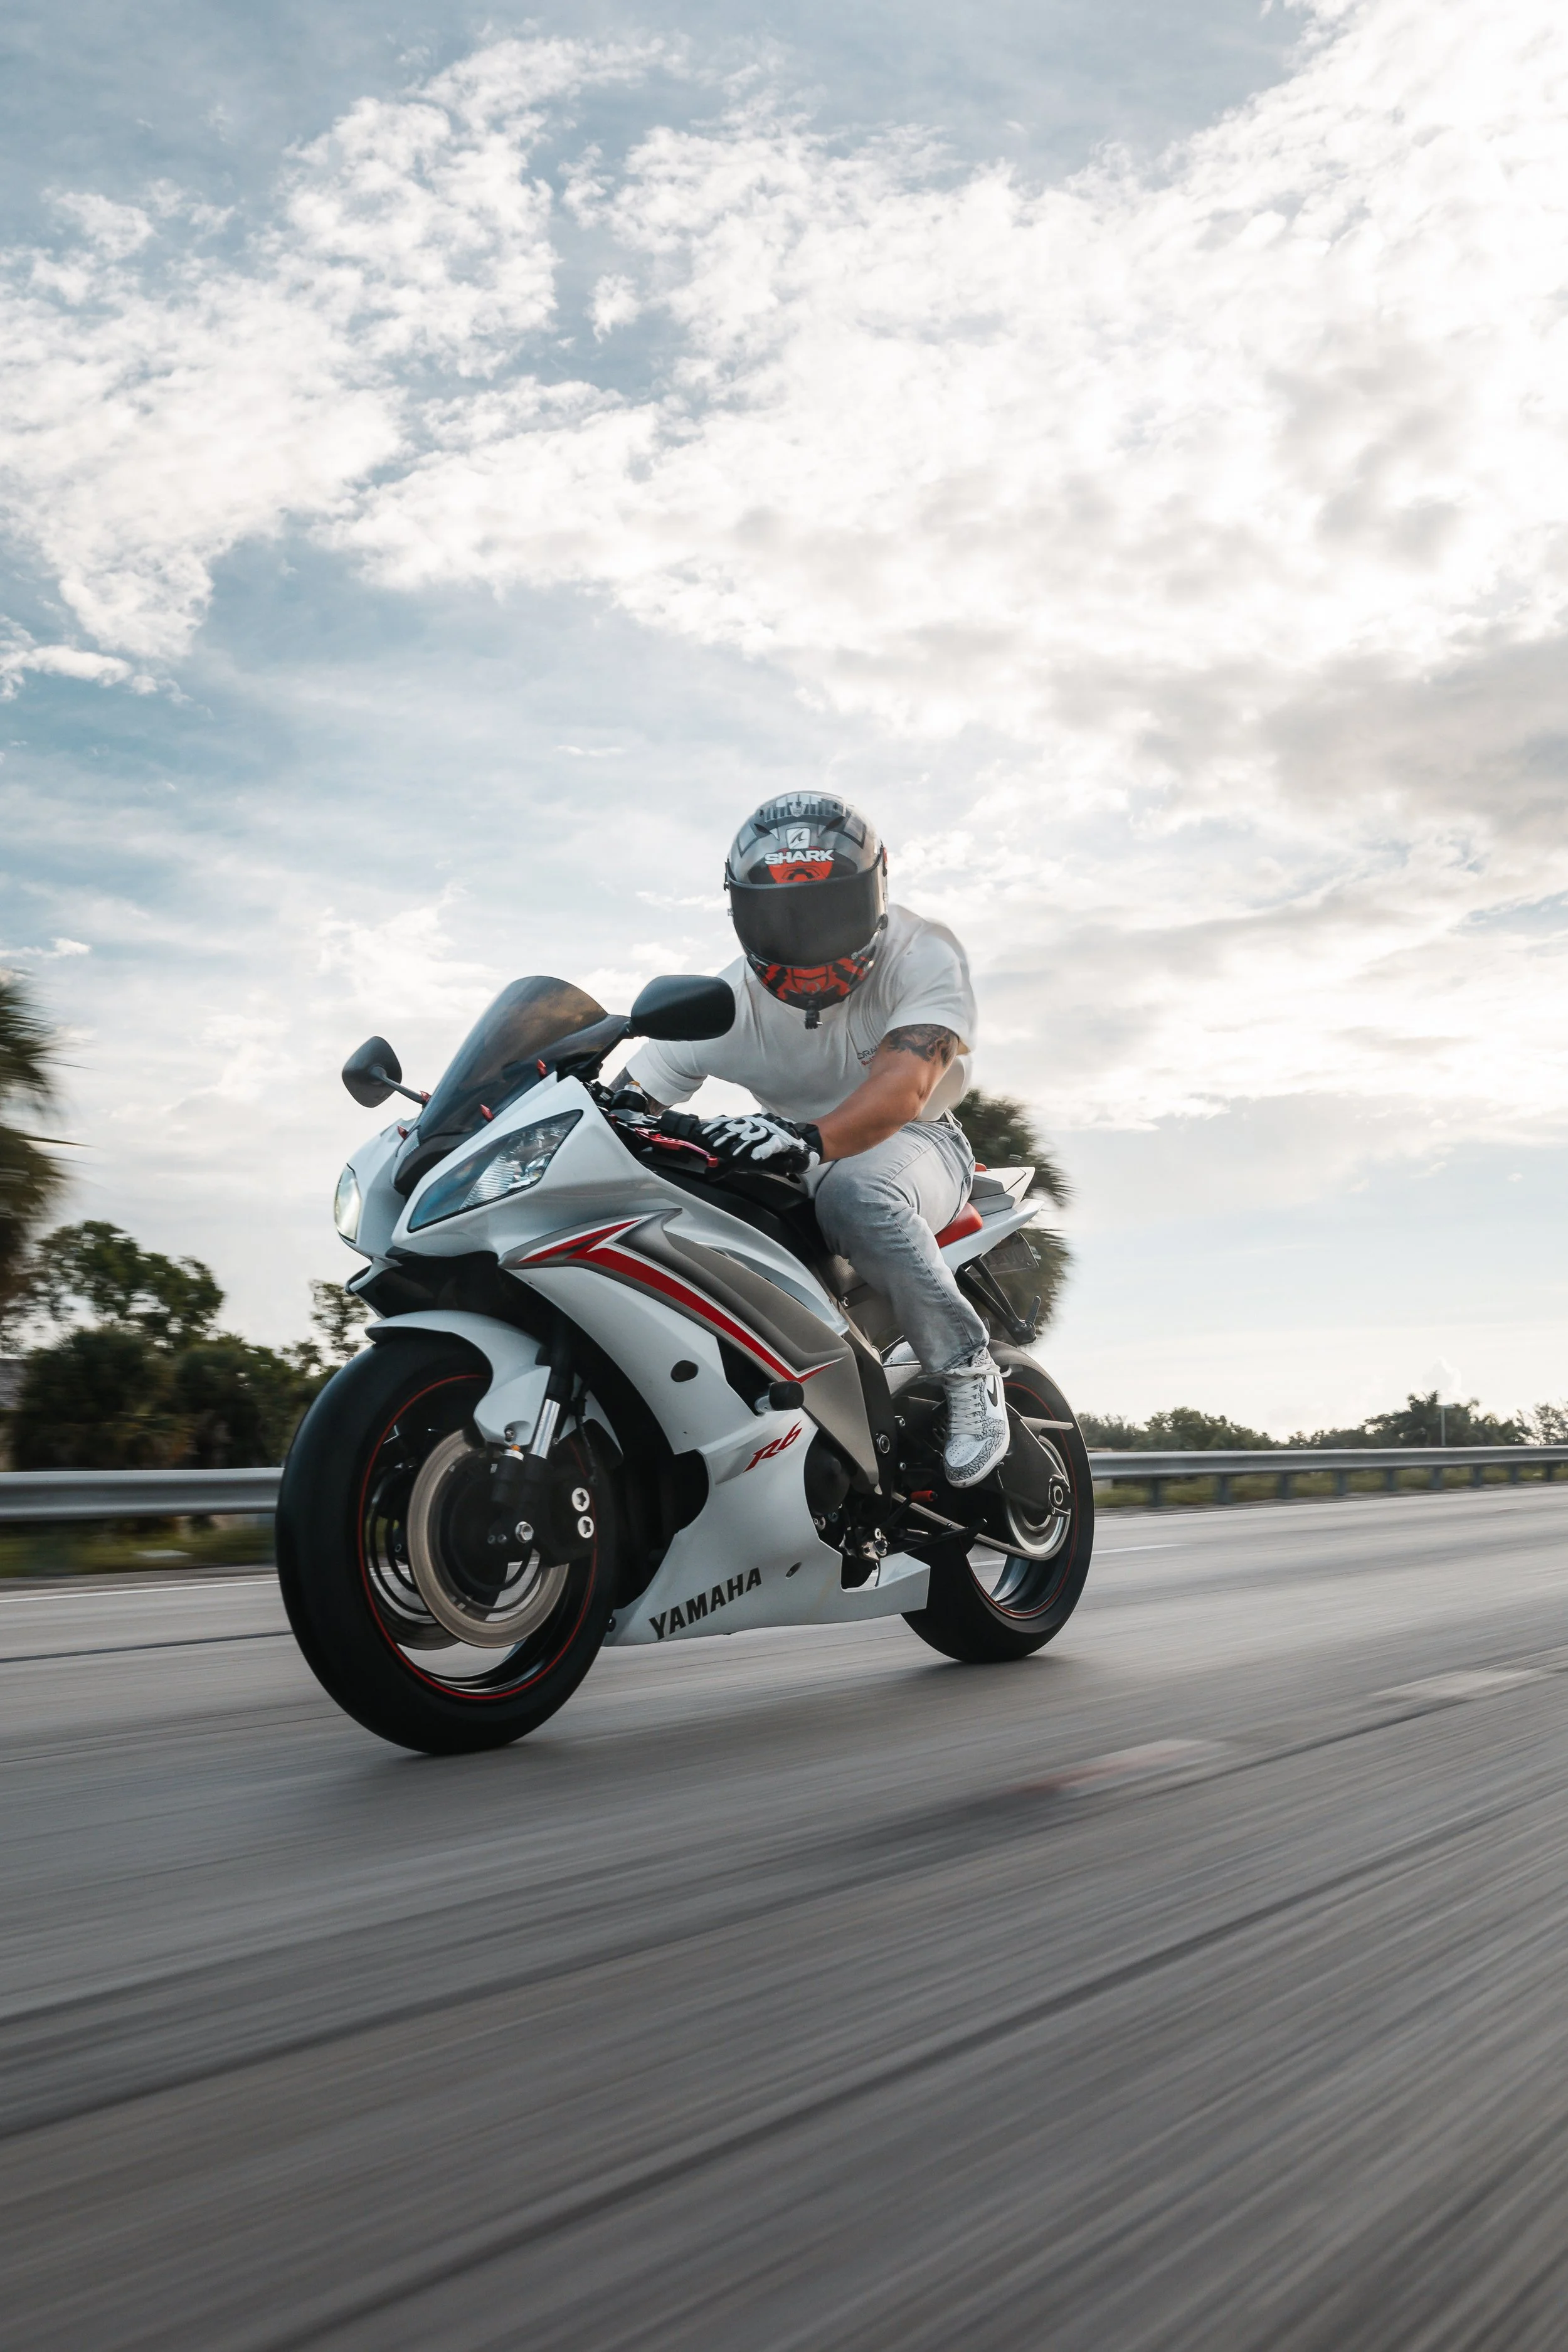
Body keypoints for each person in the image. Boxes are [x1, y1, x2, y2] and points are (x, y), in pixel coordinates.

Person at [620, 792, 1010, 1488]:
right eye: (778, 916)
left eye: (826, 910)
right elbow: (625, 1100)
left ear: (875, 891)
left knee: (861, 1193)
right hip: (793, 1156)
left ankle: (965, 1369)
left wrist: (804, 1137)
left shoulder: (922, 953)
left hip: (916, 1143)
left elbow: (903, 1089)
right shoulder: (724, 1002)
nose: (804, 938)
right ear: (741, 912)